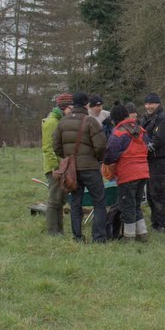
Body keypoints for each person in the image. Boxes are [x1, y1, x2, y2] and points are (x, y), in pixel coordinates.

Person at [54, 92, 108, 242]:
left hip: (72, 171)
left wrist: (67, 158)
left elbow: (56, 146)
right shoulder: (90, 121)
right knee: (99, 201)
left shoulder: (62, 122)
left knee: (76, 203)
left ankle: (77, 237)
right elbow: (101, 145)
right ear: (86, 104)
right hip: (90, 168)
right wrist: (97, 159)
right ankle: (99, 237)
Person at [104, 103, 151, 242]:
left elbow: (110, 155)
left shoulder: (119, 133)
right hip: (143, 172)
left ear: (114, 120)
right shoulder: (141, 130)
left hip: (127, 174)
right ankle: (142, 233)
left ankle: (129, 236)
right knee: (136, 204)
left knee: (127, 206)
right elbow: (147, 148)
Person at [140, 92, 165, 234]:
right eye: (146, 103)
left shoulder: (164, 120)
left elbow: (158, 140)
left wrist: (141, 149)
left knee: (158, 192)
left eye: (151, 103)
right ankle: (155, 222)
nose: (148, 106)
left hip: (159, 160)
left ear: (158, 104)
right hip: (148, 160)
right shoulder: (146, 118)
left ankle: (163, 225)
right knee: (150, 193)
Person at [41, 92, 73, 236]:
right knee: (54, 200)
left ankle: (60, 230)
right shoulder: (51, 122)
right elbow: (48, 148)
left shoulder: (60, 120)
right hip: (55, 168)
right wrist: (55, 168)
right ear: (64, 107)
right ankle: (53, 231)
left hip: (62, 167)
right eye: (70, 109)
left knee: (60, 200)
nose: (71, 112)